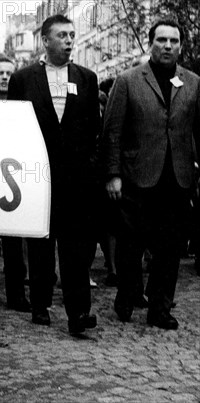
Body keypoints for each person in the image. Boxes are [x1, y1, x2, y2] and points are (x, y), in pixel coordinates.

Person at [102, 19, 200, 330]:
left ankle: (160, 308)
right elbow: (112, 132)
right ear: (151, 43)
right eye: (161, 40)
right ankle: (127, 292)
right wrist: (113, 174)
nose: (168, 46)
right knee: (131, 244)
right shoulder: (129, 80)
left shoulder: (193, 83)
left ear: (180, 46)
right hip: (137, 177)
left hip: (178, 179)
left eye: (174, 41)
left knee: (170, 248)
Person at [7, 14, 100, 335]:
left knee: (75, 247)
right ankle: (40, 303)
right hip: (37, 173)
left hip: (76, 178)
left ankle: (79, 312)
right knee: (41, 241)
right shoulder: (23, 79)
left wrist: (88, 167)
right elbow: (15, 128)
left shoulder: (87, 78)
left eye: (72, 35)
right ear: (45, 41)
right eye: (62, 35)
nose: (69, 40)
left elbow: (93, 128)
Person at [0, 56, 31, 311]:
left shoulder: (24, 104)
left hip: (14, 176)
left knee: (14, 240)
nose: (5, 77)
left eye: (9, 73)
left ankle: (17, 295)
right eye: (0, 72)